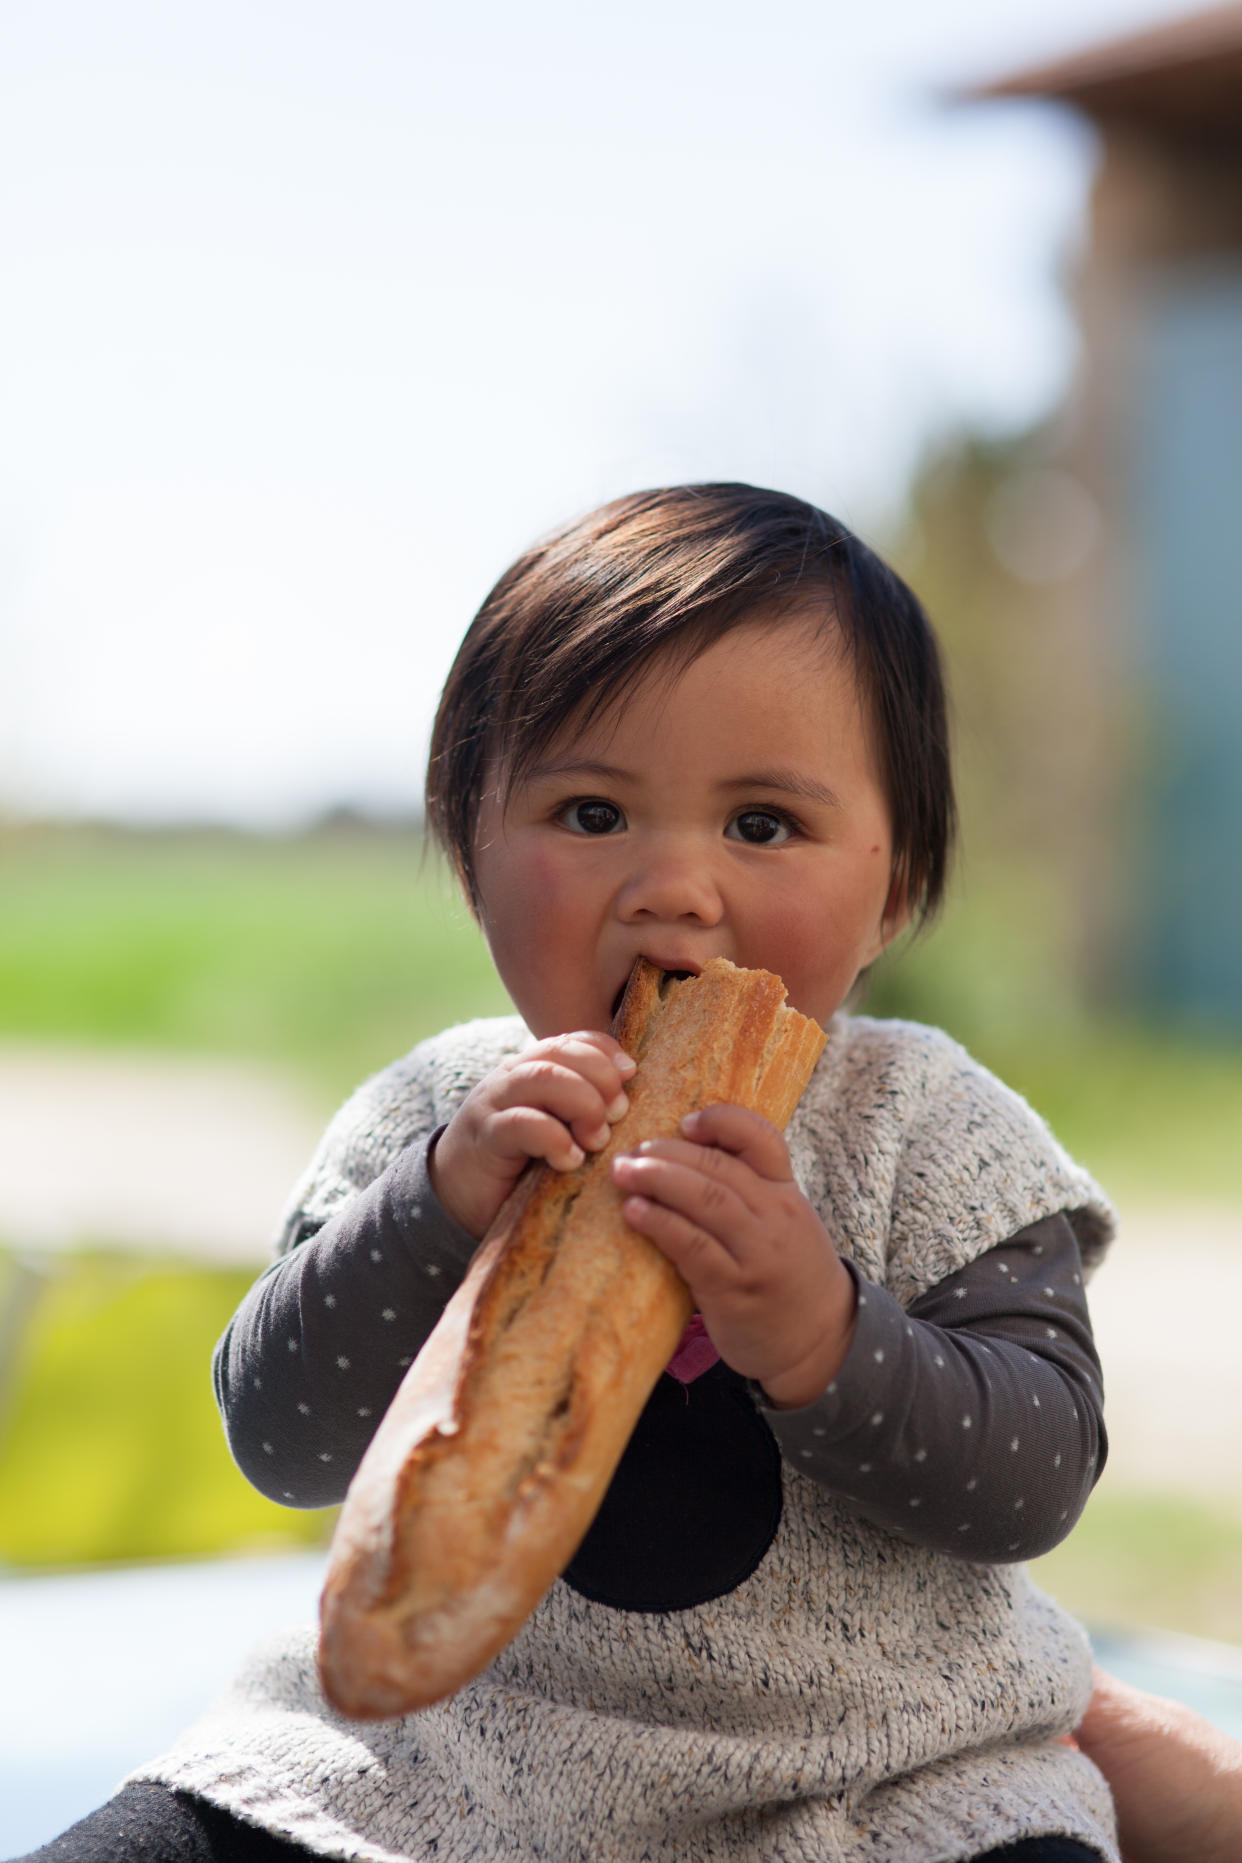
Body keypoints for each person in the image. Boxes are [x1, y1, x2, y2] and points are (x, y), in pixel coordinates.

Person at [20, 485, 1123, 1861]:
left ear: (892, 889)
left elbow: (1034, 1479)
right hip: (433, 1771)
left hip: (862, 1787)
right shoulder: (433, 1115)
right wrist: (432, 1207)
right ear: (470, 859)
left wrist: (824, 1334)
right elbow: (280, 1443)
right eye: (591, 812)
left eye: (763, 825)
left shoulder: (933, 1130)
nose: (673, 886)